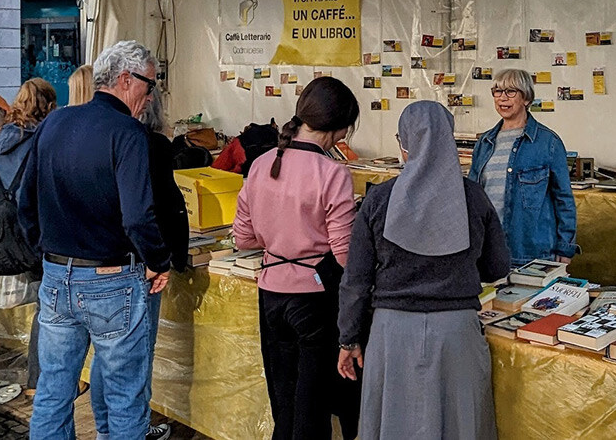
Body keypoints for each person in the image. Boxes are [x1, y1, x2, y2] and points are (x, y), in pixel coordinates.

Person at [18, 40, 172, 440]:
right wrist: (159, 260)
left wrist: (45, 251)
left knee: (53, 391)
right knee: (124, 397)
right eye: (149, 85)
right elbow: (138, 215)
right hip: (111, 277)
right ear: (125, 80)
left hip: (58, 274)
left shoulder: (56, 122)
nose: (151, 95)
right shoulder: (128, 132)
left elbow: (24, 199)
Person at [337, 101, 510, 440]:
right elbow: (497, 267)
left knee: (394, 426)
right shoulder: (474, 197)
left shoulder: (378, 200)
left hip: (392, 333)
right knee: (461, 427)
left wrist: (348, 339)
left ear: (404, 144)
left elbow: (356, 280)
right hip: (456, 333)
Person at [233, 76, 361, 440]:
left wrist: (277, 235)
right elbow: (343, 253)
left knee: (283, 399)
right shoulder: (333, 172)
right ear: (341, 129)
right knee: (312, 403)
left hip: (270, 292)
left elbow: (243, 238)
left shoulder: (260, 164)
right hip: (315, 299)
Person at [88, 92, 188, 440]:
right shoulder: (152, 144)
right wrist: (164, 259)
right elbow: (160, 207)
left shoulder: (99, 136)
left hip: (103, 259)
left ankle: (105, 428)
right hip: (139, 263)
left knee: (107, 353)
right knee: (134, 355)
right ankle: (131, 429)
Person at [0, 78, 56, 398]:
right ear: (49, 107)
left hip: (3, 235)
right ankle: (39, 380)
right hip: (37, 234)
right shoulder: (43, 142)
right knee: (49, 309)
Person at [469, 69, 578, 265]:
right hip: (487, 251)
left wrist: (566, 248)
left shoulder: (548, 142)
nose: (503, 98)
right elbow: (471, 197)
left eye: (511, 91)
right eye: (497, 91)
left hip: (531, 252)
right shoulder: (484, 143)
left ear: (526, 98)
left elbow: (564, 199)